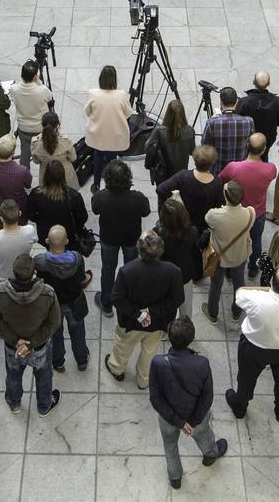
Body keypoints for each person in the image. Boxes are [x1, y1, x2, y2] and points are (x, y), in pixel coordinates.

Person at [149, 316, 229, 490]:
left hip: (168, 418)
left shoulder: (158, 363)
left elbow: (156, 399)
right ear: (191, 338)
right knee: (205, 436)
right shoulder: (202, 363)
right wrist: (191, 422)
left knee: (170, 445)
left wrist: (179, 423)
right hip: (196, 417)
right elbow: (207, 397)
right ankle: (210, 454)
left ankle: (175, 477)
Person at [225, 265, 279, 420]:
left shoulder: (257, 300)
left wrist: (266, 289)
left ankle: (240, 407)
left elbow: (240, 292)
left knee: (246, 379)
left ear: (271, 281)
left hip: (254, 348)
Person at [0, 252, 61, 416]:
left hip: (13, 348)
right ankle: (44, 406)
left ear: (14, 273)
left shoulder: (0, 292)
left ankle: (14, 403)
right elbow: (54, 322)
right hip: (40, 347)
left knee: (13, 375)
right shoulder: (47, 293)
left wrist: (16, 342)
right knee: (43, 377)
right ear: (34, 272)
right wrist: (31, 343)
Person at [107, 231, 184, 389]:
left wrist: (139, 314)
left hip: (130, 322)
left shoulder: (127, 271)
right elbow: (177, 299)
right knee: (149, 351)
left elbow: (116, 298)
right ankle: (143, 379)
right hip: (157, 322)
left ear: (139, 249)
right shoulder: (173, 271)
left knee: (123, 346)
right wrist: (152, 311)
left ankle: (117, 369)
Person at [92, 158, 150, 317]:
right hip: (131, 239)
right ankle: (130, 300)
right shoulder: (137, 198)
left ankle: (106, 304)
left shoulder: (100, 196)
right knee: (131, 269)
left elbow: (95, 210)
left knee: (108, 269)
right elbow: (146, 212)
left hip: (108, 239)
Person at [35, 225, 90, 373]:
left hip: (52, 307)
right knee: (78, 333)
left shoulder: (40, 262)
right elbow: (82, 280)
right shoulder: (77, 259)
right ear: (66, 241)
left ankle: (58, 362)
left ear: (47, 241)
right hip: (74, 304)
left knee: (55, 335)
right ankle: (82, 360)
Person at [220, 135, 277, 276]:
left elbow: (220, 179)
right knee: (256, 242)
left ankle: (229, 271)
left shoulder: (233, 167)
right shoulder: (270, 169)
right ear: (264, 150)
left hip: (237, 214)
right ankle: (253, 269)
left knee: (233, 242)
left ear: (247, 146)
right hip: (257, 214)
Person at [203, 181, 256, 324]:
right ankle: (236, 312)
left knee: (216, 285)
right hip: (240, 255)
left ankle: (213, 313)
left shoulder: (214, 215)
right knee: (239, 283)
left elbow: (207, 220)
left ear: (226, 197)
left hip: (220, 257)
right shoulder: (250, 212)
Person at [84, 65, 131, 192]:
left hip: (97, 135)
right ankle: (111, 185)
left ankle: (96, 184)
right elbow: (128, 113)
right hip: (115, 136)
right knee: (112, 159)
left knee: (98, 156)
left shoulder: (93, 93)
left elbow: (87, 112)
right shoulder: (121, 95)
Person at [156, 196, 202, 316]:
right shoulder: (192, 232)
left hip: (165, 277)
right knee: (186, 310)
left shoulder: (158, 234)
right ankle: (185, 331)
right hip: (184, 274)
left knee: (166, 309)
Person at [0, 200, 37, 291]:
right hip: (24, 277)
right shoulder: (30, 231)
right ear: (19, 213)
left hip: (0, 278)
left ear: (1, 219)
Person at [8, 60, 53, 169]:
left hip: (24, 128)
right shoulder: (41, 90)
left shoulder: (14, 89)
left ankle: (24, 178)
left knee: (25, 153)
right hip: (40, 128)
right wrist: (39, 82)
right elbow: (49, 97)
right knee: (45, 152)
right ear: (35, 77)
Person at [202, 86, 255, 176]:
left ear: (221, 102)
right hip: (239, 169)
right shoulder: (249, 121)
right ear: (237, 101)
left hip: (218, 169)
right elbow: (251, 143)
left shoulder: (212, 123)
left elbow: (205, 145)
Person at [144, 98, 194, 187]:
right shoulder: (190, 130)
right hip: (181, 175)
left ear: (168, 114)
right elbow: (192, 151)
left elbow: (147, 147)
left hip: (163, 175)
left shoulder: (159, 131)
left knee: (162, 196)